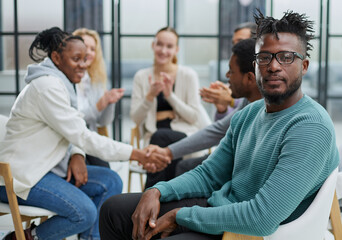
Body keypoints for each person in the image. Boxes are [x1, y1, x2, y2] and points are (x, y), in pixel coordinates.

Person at [99, 10, 340, 240]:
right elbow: (209, 174)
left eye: (287, 57)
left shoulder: (310, 127)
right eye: (265, 57)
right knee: (114, 211)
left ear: (304, 66)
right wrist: (158, 190)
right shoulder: (250, 112)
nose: (274, 66)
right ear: (255, 66)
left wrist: (180, 216)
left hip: (252, 232)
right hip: (223, 210)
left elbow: (262, 217)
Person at [0, 27, 168, 240]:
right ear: (56, 58)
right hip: (21, 179)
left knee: (111, 181)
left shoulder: (63, 83)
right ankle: (25, 237)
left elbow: (76, 125)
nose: (82, 65)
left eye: (85, 58)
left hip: (46, 170)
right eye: (76, 59)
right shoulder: (47, 87)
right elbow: (82, 135)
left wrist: (76, 155)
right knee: (84, 212)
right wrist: (137, 154)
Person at [146, 38, 261, 177]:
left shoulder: (263, 110)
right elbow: (219, 129)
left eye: (231, 71)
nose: (227, 76)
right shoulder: (247, 102)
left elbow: (205, 124)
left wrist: (170, 96)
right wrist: (168, 152)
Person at [130, 27, 209, 188]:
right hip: (154, 136)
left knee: (161, 138)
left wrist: (170, 96)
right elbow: (135, 118)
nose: (163, 50)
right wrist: (150, 96)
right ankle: (166, 198)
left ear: (176, 50)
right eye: (159, 44)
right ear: (153, 45)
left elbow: (194, 117)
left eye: (169, 46)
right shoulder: (141, 76)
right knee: (160, 138)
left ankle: (150, 195)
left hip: (184, 134)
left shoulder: (188, 75)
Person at [73, 28, 124, 168]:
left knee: (107, 172)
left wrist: (109, 102)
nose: (89, 52)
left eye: (92, 49)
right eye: (84, 46)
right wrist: (99, 105)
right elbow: (73, 121)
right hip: (71, 143)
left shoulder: (95, 80)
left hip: (89, 140)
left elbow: (103, 121)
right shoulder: (67, 81)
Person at [200, 22, 257, 120]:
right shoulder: (236, 86)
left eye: (240, 41)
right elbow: (224, 127)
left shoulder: (264, 80)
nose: (235, 47)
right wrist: (222, 109)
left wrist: (230, 100)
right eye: (234, 43)